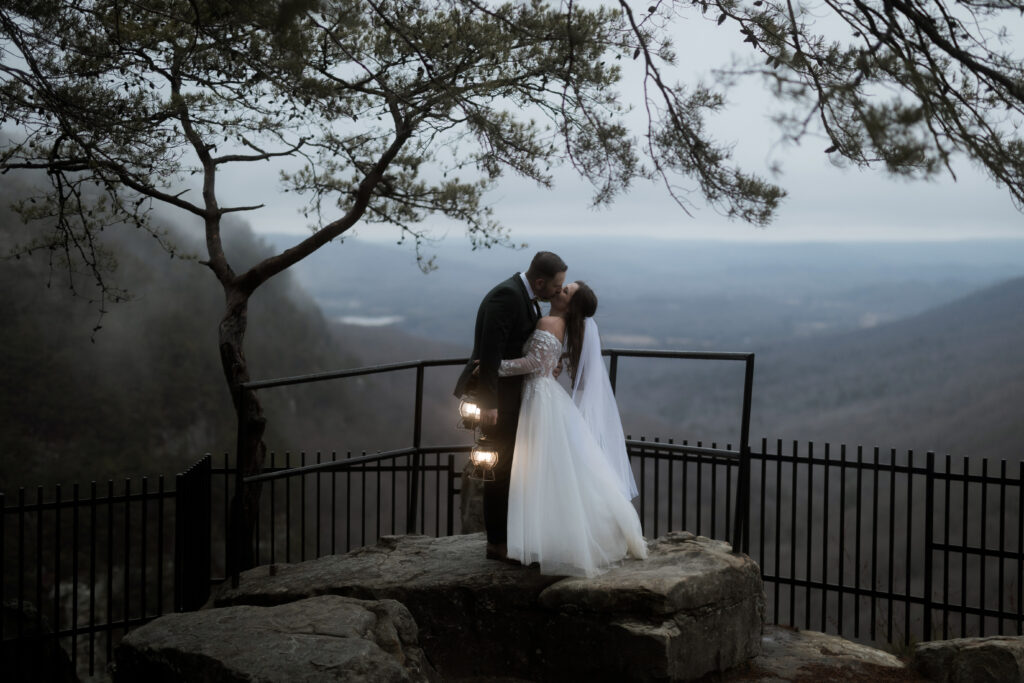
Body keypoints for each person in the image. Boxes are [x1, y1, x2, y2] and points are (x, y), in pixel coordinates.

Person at [496, 281, 647, 577]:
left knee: (541, 469)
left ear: (569, 305)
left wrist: (493, 367)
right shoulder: (561, 324)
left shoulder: (548, 321)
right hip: (545, 395)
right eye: (564, 286)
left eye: (566, 292)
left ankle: (543, 537)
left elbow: (533, 362)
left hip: (538, 398)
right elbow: (546, 361)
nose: (560, 290)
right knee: (556, 469)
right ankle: (557, 535)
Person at [454, 251, 567, 563]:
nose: (558, 291)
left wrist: (546, 366)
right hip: (498, 400)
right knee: (499, 470)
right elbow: (490, 351)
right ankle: (497, 544)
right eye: (557, 286)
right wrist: (489, 404)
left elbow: (521, 345)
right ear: (540, 282)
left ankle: (508, 538)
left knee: (510, 467)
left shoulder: (526, 296)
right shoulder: (507, 295)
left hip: (513, 394)